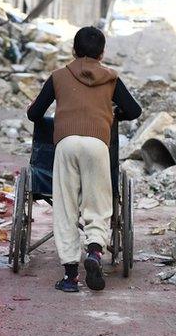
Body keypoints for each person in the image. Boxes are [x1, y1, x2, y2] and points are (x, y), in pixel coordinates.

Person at [27, 26, 142, 293]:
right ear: (102, 53)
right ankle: (94, 251)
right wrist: (112, 115)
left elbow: (35, 114)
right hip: (98, 145)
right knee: (99, 204)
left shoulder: (58, 76)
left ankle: (70, 276)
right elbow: (134, 110)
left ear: (74, 50)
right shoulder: (112, 79)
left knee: (66, 206)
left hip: (66, 145)